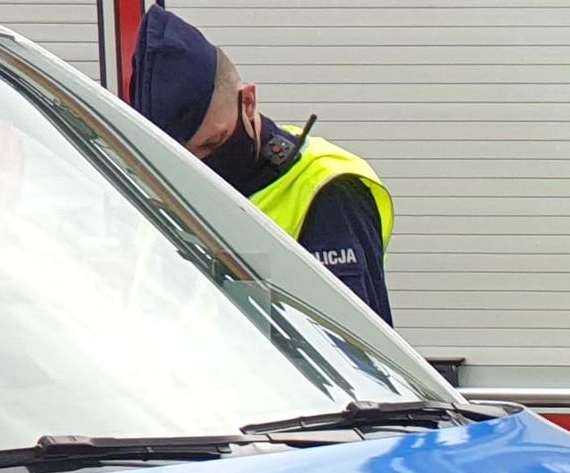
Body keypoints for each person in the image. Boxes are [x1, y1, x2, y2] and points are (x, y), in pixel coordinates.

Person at [127, 4, 394, 322]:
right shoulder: (159, 194)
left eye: (213, 142)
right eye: (182, 157)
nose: (201, 165)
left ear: (248, 101)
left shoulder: (325, 192)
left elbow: (351, 351)